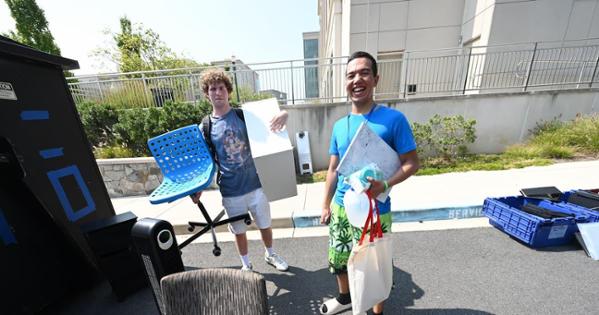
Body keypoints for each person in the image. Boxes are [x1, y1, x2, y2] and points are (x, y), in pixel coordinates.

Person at [319, 51, 420, 315]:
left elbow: (412, 162)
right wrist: (326, 204)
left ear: (375, 79)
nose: (357, 79)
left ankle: (377, 312)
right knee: (339, 258)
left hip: (375, 210)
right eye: (351, 75)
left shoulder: (393, 120)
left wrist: (385, 185)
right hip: (342, 206)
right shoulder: (340, 125)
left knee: (374, 265)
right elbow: (332, 169)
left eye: (364, 73)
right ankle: (345, 298)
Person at [192, 68, 289, 272]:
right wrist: (198, 187)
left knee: (265, 224)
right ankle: (246, 265)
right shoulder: (206, 126)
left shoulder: (244, 115)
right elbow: (205, 161)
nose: (217, 92)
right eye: (212, 89)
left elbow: (273, 122)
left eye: (221, 88)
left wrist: (284, 114)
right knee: (238, 231)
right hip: (230, 189)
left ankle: (270, 254)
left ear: (228, 91)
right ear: (206, 94)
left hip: (256, 184)